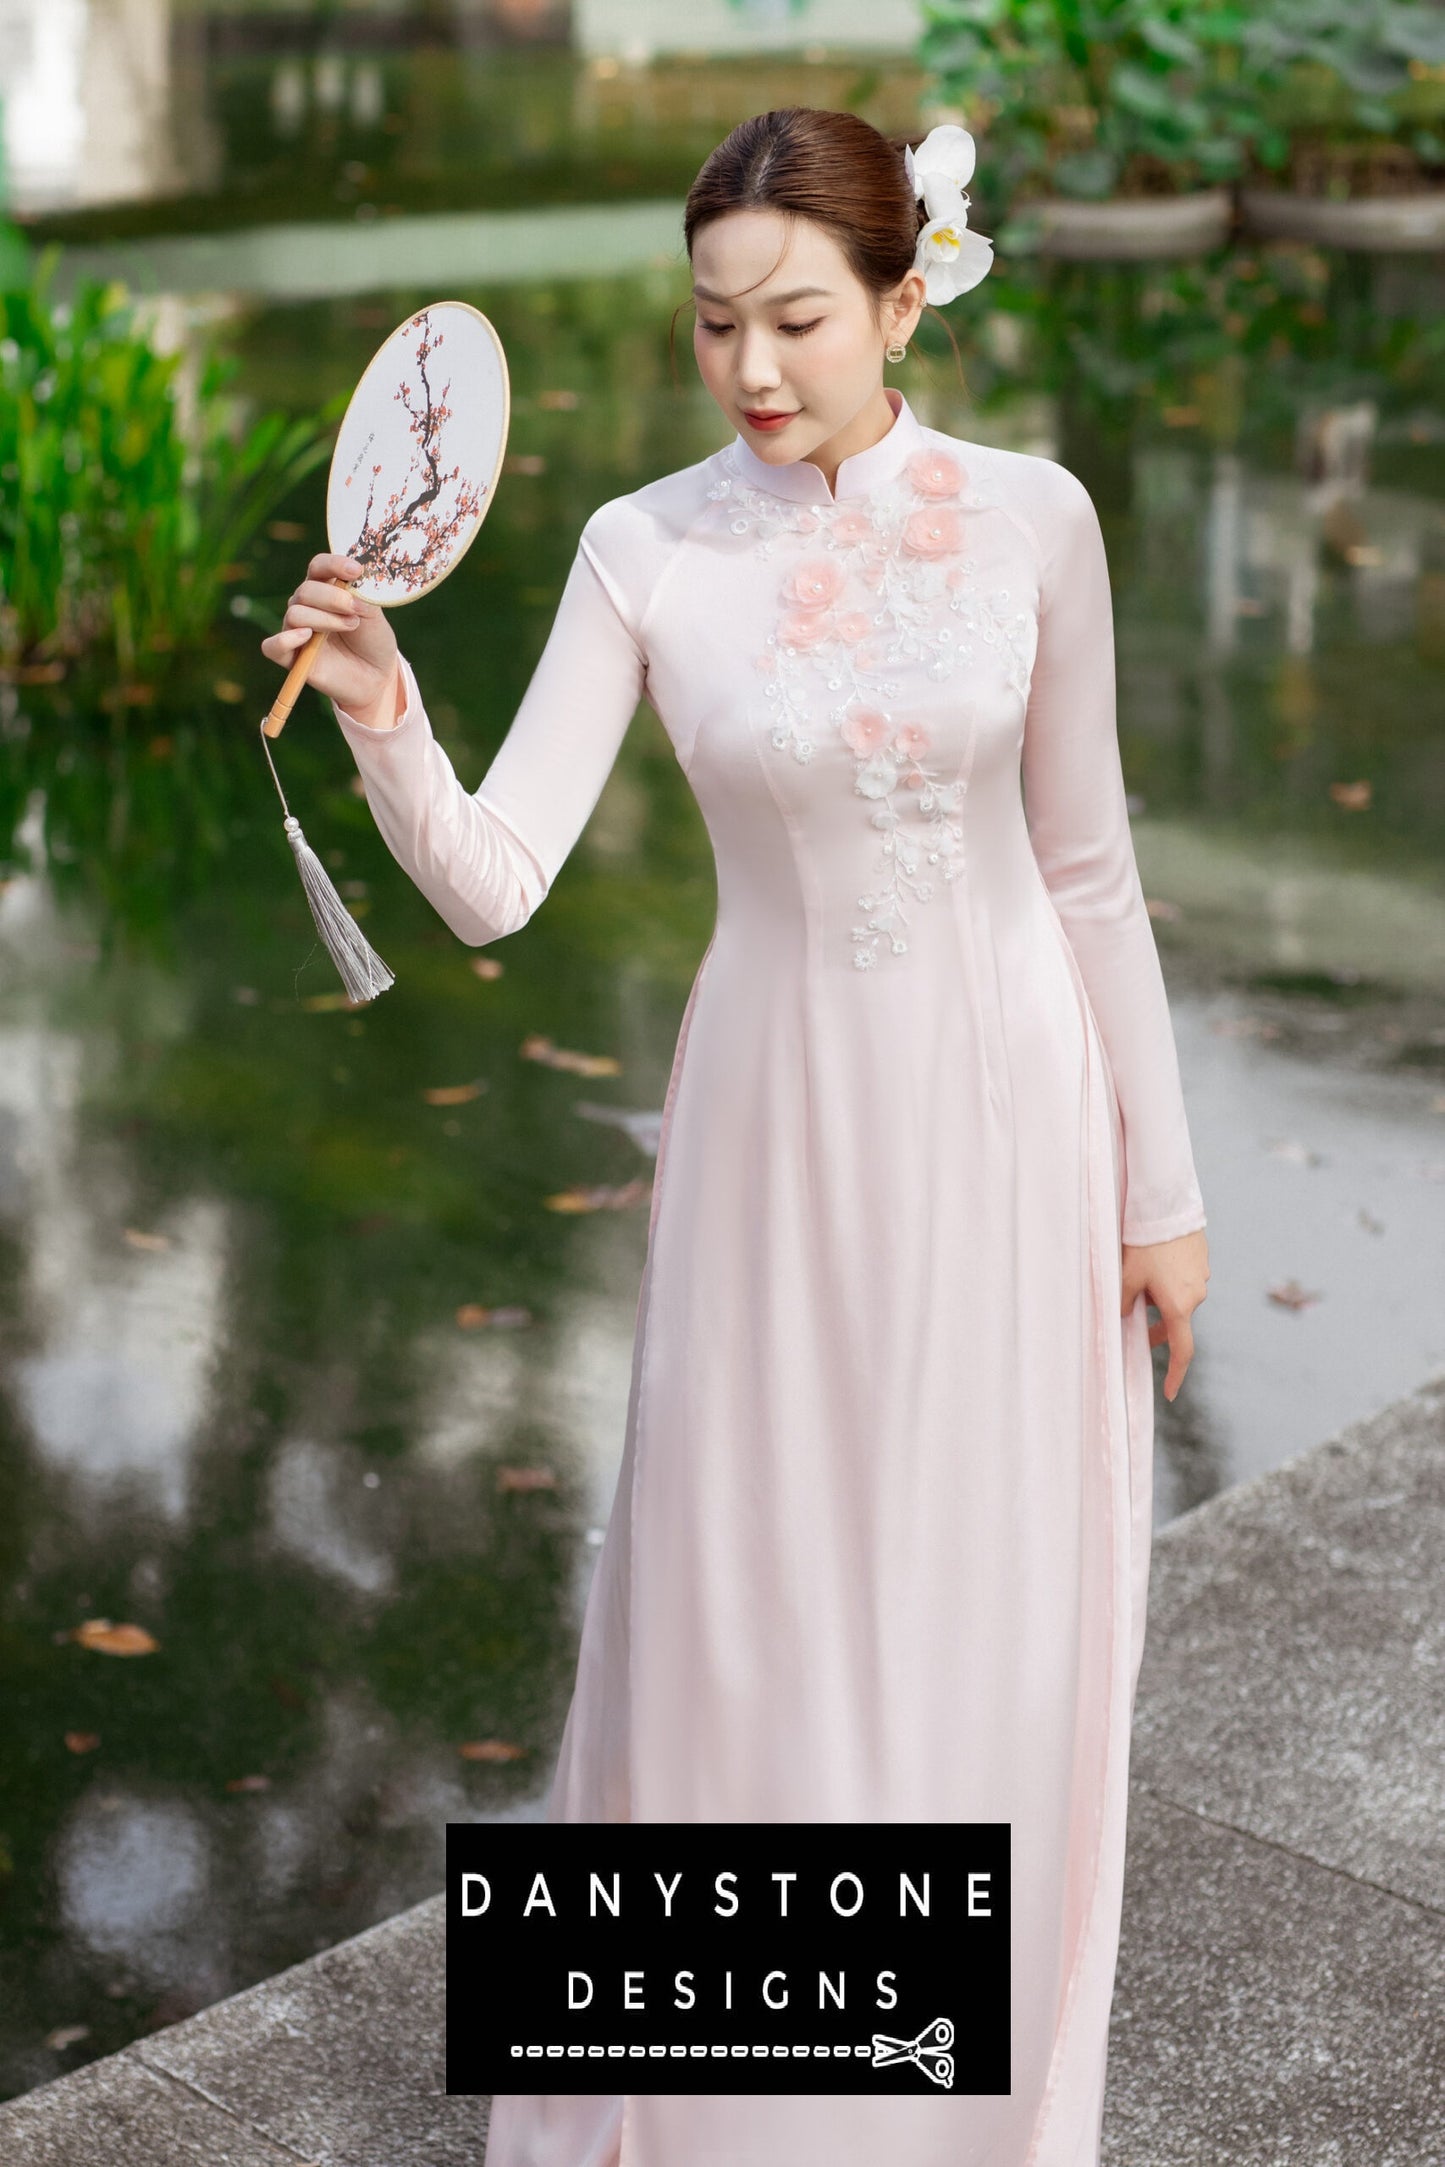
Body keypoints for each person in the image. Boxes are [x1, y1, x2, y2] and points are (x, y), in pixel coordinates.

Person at [262, 104, 1210, 2167]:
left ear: (905, 291)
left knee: (982, 1615)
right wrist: (380, 702)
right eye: (714, 328)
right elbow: (500, 879)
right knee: (746, 1603)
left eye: (796, 318)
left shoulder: (1039, 518)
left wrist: (1163, 1195)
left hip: (1014, 1127)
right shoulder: (646, 548)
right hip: (775, 1143)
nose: (756, 370)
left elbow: (1093, 868)